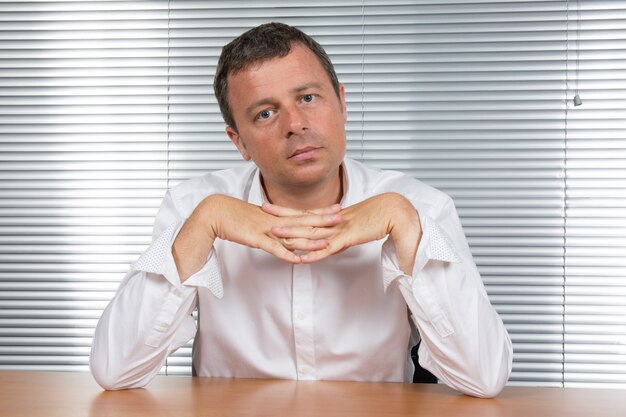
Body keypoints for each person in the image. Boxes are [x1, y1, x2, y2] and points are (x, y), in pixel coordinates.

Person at [90, 22, 512, 398]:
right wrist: (203, 225)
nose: (294, 123)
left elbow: (484, 376)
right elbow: (116, 370)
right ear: (238, 142)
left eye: (308, 97)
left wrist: (405, 224)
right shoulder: (191, 207)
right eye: (266, 112)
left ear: (342, 105)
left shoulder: (423, 206)